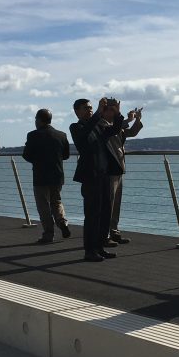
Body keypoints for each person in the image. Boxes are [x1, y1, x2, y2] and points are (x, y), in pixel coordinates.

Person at [70, 97, 123, 262]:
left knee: (105, 213)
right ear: (77, 111)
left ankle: (100, 247)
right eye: (86, 108)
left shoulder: (99, 124)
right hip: (90, 175)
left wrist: (117, 112)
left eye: (91, 107)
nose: (90, 110)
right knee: (92, 214)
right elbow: (84, 138)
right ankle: (89, 250)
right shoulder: (76, 127)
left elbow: (114, 130)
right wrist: (99, 113)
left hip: (104, 174)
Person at [22, 108, 71, 244]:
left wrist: (37, 161)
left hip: (40, 176)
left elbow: (26, 155)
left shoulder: (33, 135)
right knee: (57, 201)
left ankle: (48, 234)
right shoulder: (61, 135)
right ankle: (62, 222)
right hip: (57, 175)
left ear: (39, 120)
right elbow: (66, 155)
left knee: (43, 205)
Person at [107, 107, 143, 245]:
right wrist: (128, 119)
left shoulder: (118, 127)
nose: (116, 113)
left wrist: (137, 119)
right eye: (113, 109)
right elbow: (116, 127)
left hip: (119, 168)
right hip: (110, 169)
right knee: (109, 203)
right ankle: (106, 234)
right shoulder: (104, 125)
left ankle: (114, 231)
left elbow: (132, 132)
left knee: (116, 203)